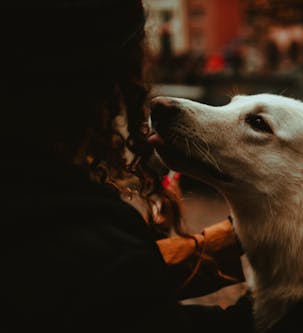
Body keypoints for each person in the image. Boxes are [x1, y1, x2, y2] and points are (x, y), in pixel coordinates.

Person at [0, 1, 253, 332]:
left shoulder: (30, 191)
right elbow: (123, 293)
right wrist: (267, 315)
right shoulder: (85, 240)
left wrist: (233, 238)